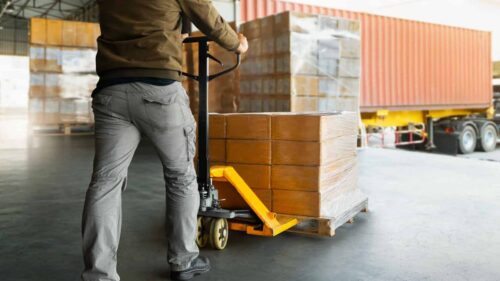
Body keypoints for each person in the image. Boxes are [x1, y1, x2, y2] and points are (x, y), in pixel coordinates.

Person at [81, 1, 248, 281]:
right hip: (158, 89)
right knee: (180, 176)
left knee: (105, 183)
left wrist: (175, 32)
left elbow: (134, 18)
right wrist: (237, 44)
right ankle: (184, 260)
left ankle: (99, 274)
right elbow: (207, 16)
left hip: (111, 90)